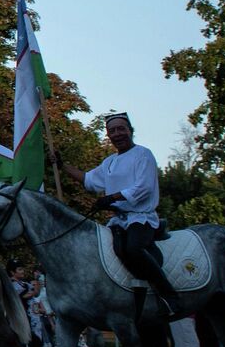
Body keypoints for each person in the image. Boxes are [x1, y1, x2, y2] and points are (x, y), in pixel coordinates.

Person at [54, 112, 178, 318]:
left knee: (133, 248)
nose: (117, 134)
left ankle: (169, 295)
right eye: (112, 131)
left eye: (121, 129)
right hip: (119, 220)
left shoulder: (143, 154)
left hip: (141, 217)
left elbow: (144, 188)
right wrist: (62, 166)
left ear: (130, 130)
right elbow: (89, 180)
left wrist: (112, 198)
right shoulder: (109, 162)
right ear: (108, 135)